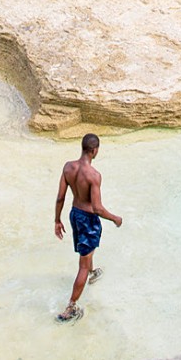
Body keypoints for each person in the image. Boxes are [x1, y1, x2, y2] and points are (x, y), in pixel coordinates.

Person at [54, 132, 123, 323]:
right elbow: (97, 208)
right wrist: (115, 218)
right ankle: (71, 307)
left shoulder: (68, 167)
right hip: (88, 219)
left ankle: (92, 273)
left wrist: (57, 220)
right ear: (94, 150)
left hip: (74, 215)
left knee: (86, 253)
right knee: (83, 264)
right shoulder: (94, 175)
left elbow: (61, 197)